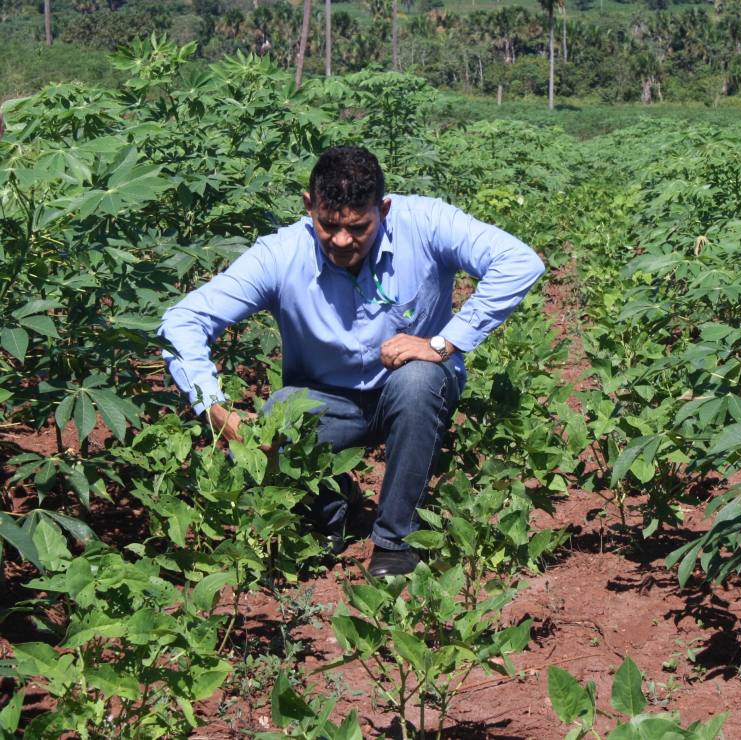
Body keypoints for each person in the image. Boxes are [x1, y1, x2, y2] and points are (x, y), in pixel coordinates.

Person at [159, 146, 545, 576]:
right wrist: (214, 408)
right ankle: (332, 505)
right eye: (328, 226)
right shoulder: (281, 254)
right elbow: (183, 320)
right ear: (309, 206)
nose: (342, 241)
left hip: (409, 388)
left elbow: (519, 261)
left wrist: (442, 343)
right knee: (273, 421)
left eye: (359, 227)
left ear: (383, 208)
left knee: (419, 381)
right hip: (326, 400)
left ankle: (396, 538)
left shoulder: (426, 223)